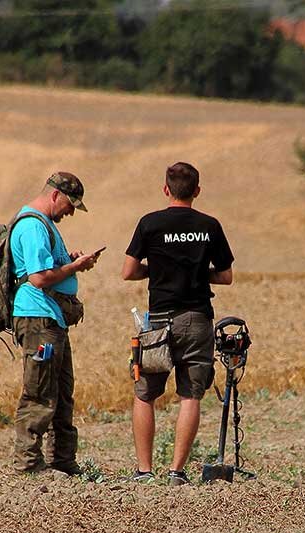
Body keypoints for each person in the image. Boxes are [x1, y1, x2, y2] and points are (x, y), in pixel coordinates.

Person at [121, 162, 235, 486]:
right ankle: (176, 472)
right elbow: (226, 276)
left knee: (145, 394)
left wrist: (154, 270)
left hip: (157, 320)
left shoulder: (149, 224)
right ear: (197, 191)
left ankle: (144, 471)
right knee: (190, 395)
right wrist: (200, 275)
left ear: (166, 189)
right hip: (197, 319)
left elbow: (128, 271)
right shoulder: (209, 226)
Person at [10, 172, 100, 475]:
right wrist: (75, 266)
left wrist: (69, 262)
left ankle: (63, 460)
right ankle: (29, 464)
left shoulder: (44, 225)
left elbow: (48, 268)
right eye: (71, 204)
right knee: (40, 389)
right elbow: (38, 278)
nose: (71, 211)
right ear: (54, 195)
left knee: (61, 390)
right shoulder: (34, 225)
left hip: (52, 319)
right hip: (38, 319)